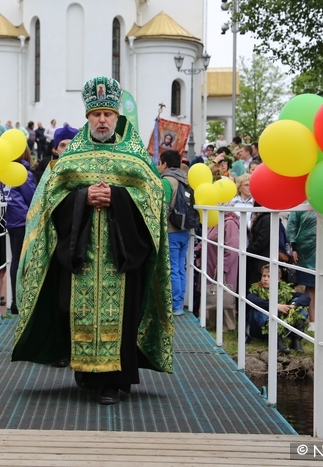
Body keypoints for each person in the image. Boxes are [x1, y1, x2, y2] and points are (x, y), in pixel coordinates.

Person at [12, 76, 173, 405]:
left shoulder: (136, 157)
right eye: (96, 114)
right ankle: (85, 373)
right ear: (88, 117)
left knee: (120, 316)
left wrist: (116, 197)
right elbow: (50, 201)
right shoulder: (71, 157)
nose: (102, 120)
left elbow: (154, 198)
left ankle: (114, 381)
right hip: (80, 254)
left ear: (117, 117)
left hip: (121, 256)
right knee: (73, 310)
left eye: (107, 114)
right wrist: (83, 197)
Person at [1, 147, 36, 315]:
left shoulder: (4, 172)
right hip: (23, 220)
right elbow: (33, 197)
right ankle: (19, 300)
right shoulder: (23, 173)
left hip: (10, 220)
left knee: (15, 261)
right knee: (23, 261)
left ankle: (15, 300)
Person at [247, 264, 309, 353]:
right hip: (258, 329)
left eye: (269, 277)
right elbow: (250, 298)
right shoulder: (255, 290)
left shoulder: (284, 290)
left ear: (278, 280)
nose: (265, 279)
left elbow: (305, 297)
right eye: (264, 276)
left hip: (281, 328)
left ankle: (296, 340)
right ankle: (276, 342)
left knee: (300, 308)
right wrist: (276, 306)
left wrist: (293, 305)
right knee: (261, 309)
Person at [158, 149, 191, 316]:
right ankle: (180, 302)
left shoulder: (167, 180)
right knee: (180, 268)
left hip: (171, 230)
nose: (158, 166)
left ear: (165, 164)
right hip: (185, 230)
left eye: (159, 163)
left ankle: (175, 305)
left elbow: (163, 206)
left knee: (172, 268)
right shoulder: (186, 179)